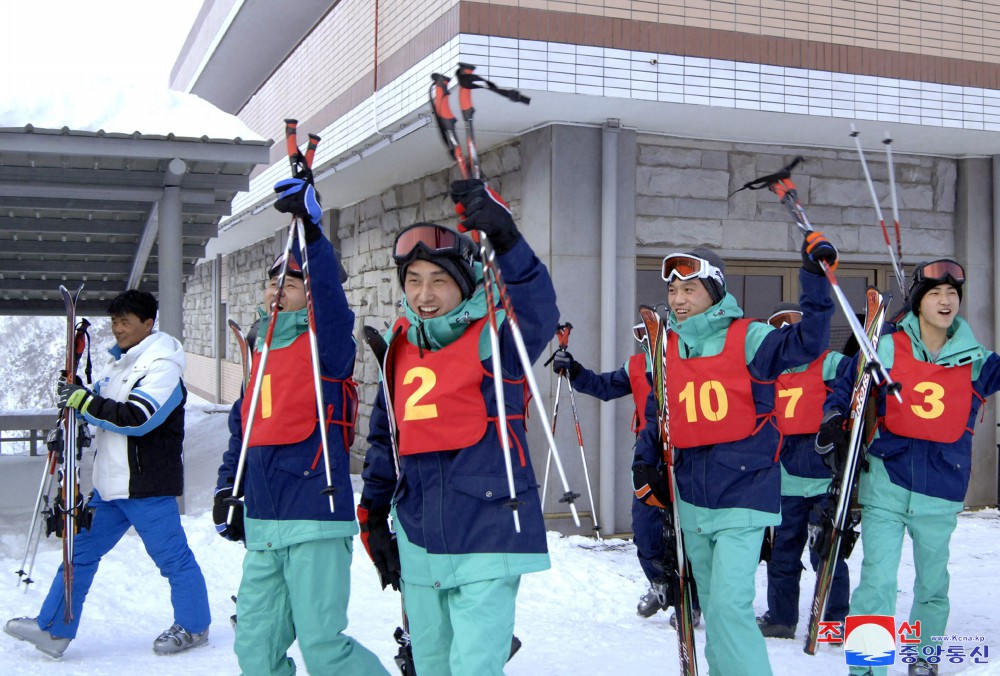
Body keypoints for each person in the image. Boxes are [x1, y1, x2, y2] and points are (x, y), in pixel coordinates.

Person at [359, 178, 558, 675]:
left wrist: (508, 241)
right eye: (413, 280)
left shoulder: (499, 340)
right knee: (430, 665)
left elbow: (538, 312)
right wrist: (374, 514)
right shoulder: (398, 349)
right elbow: (387, 441)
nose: (424, 294)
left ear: (464, 283)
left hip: (489, 530)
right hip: (419, 532)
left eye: (439, 280)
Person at [632, 240, 836, 676]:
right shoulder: (667, 347)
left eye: (690, 289)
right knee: (714, 611)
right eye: (673, 291)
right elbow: (659, 413)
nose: (679, 300)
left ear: (714, 289)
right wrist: (644, 461)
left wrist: (815, 279)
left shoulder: (750, 337)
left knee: (729, 607)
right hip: (692, 496)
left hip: (744, 493)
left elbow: (807, 342)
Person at [214, 175, 385, 675]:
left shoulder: (325, 349)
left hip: (314, 514)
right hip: (264, 520)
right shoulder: (259, 358)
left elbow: (332, 300)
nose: (275, 289)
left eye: (288, 283)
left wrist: (311, 230)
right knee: (255, 648)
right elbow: (239, 434)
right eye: (272, 282)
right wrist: (229, 488)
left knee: (322, 647)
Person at [817, 259, 1000, 676]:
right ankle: (866, 668)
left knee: (932, 584)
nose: (945, 300)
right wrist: (832, 419)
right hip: (887, 478)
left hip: (942, 485)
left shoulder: (977, 359)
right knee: (877, 582)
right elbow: (847, 384)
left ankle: (925, 658)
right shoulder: (886, 346)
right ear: (918, 302)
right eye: (935, 293)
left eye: (952, 293)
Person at [5, 290, 210, 658]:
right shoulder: (120, 367)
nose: (118, 329)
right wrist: (76, 397)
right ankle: (53, 629)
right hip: (110, 486)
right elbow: (100, 407)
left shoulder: (162, 367)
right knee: (78, 553)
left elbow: (138, 418)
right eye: (115, 322)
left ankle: (194, 626)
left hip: (146, 486)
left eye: (125, 321)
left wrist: (84, 401)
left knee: (173, 559)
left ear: (148, 324)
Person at [551, 322, 702, 627]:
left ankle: (691, 601)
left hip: (689, 450)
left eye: (652, 333)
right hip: (648, 455)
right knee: (645, 526)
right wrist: (574, 369)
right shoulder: (637, 365)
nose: (645, 339)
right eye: (640, 334)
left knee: (688, 531)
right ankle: (660, 584)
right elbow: (604, 387)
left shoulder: (693, 359)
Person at [756, 302, 851, 639]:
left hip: (825, 477)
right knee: (782, 555)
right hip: (785, 479)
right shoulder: (768, 373)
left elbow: (861, 379)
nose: (786, 332)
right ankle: (782, 618)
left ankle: (835, 620)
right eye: (778, 326)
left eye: (792, 324)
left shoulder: (830, 363)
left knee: (826, 552)